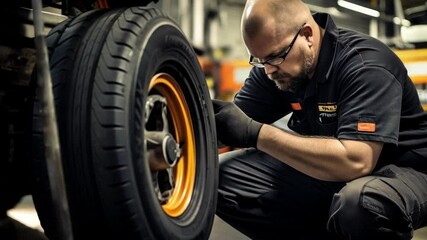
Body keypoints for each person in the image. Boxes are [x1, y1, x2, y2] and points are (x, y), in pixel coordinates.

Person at [212, 0, 427, 239]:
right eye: (259, 60)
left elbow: (356, 161)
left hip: (407, 172)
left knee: (362, 203)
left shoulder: (365, 64)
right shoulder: (275, 65)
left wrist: (258, 134)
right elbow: (227, 126)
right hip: (338, 175)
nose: (268, 70)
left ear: (307, 35)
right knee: (218, 175)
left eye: (273, 57)